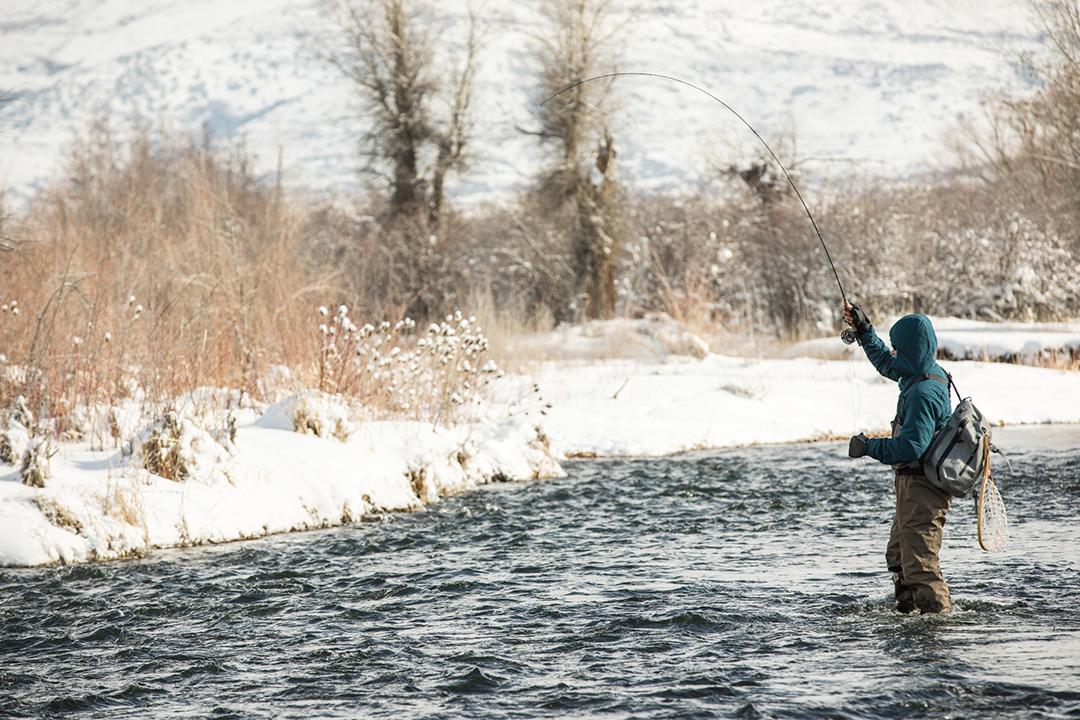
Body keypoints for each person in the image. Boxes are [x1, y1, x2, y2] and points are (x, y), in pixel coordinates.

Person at [842, 303, 954, 613]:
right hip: (914, 484)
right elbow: (886, 363)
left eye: (896, 347)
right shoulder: (922, 371)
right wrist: (865, 331)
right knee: (899, 556)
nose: (892, 352)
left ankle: (937, 628)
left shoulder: (922, 393)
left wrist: (869, 447)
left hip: (924, 487)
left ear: (907, 349)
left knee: (920, 566)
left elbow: (910, 448)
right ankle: (908, 613)